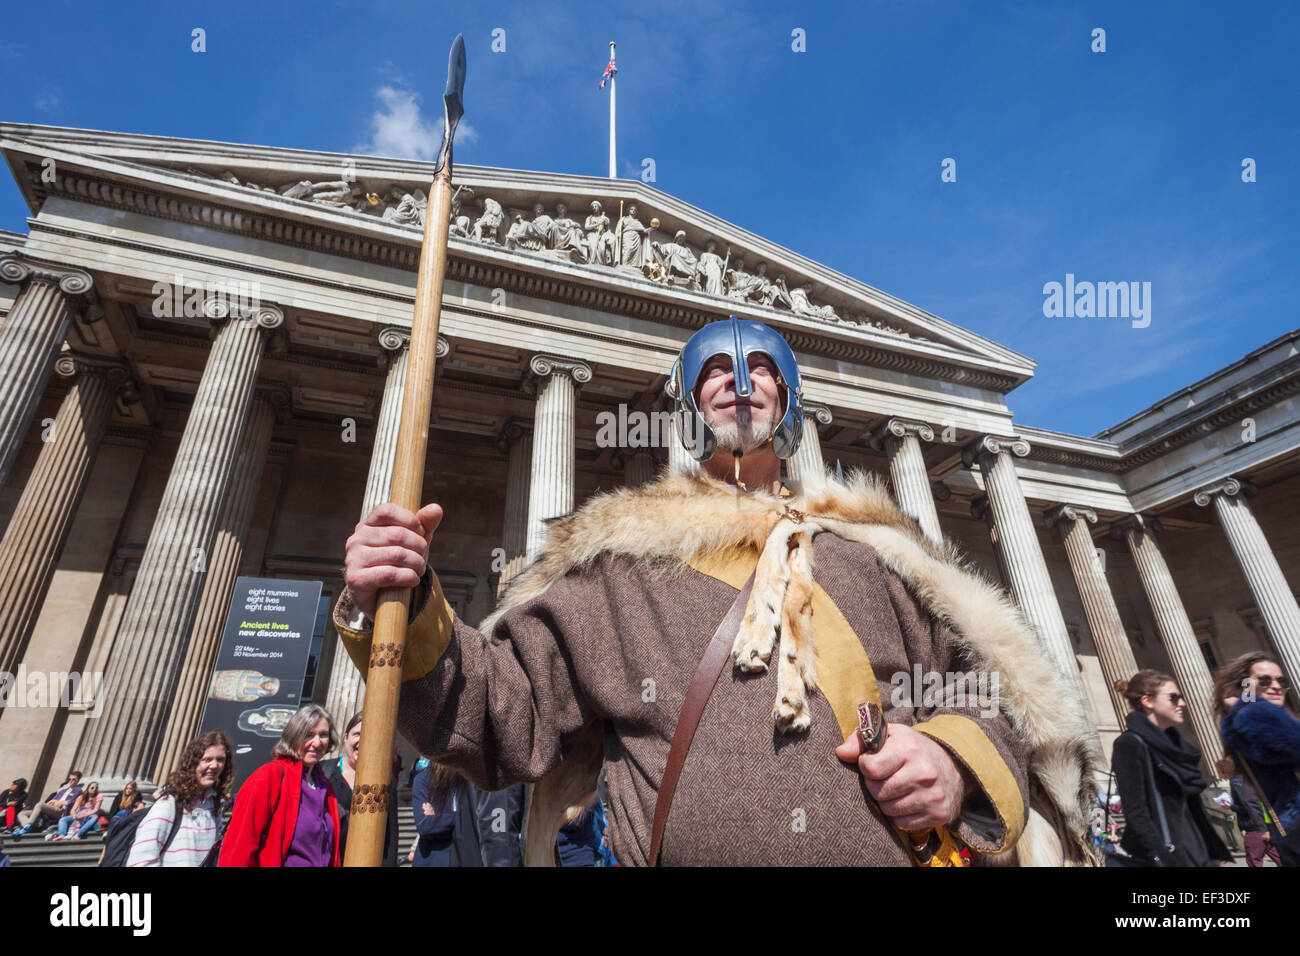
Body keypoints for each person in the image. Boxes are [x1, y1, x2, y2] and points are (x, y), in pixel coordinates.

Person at [334, 316, 1099, 866]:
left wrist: (951, 757)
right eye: (714, 372)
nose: (738, 382)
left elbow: (979, 687)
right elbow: (507, 711)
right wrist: (406, 603)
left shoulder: (875, 552)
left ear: (789, 397)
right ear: (689, 408)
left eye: (761, 368)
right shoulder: (619, 565)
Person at [1110, 670, 1231, 867]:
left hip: (1196, 848)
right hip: (1169, 853)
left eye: (1181, 697)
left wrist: (1213, 851)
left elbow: (1191, 806)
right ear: (1148, 701)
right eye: (1174, 698)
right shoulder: (1129, 744)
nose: (1182, 703)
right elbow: (1136, 811)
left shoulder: (1176, 746)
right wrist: (1162, 857)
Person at [219, 704, 341, 867]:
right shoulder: (270, 776)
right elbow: (240, 844)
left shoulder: (324, 787)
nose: (317, 743)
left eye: (323, 735)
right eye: (309, 735)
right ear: (294, 736)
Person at [1215, 650, 1300, 866]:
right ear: (1247, 686)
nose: (1276, 685)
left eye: (1281, 680)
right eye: (1264, 680)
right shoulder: (1250, 722)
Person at [127, 731, 232, 866]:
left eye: (220, 759)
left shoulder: (213, 805)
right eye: (207, 759)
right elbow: (140, 861)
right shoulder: (169, 804)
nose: (214, 765)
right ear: (192, 763)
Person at [323, 712, 399, 867]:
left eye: (369, 734)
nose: (362, 740)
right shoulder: (323, 772)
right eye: (357, 734)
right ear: (345, 738)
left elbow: (390, 835)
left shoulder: (384, 778)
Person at [411, 763, 481, 867]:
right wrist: (464, 817)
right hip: (434, 860)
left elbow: (479, 818)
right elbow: (425, 826)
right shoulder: (423, 780)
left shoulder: (471, 780)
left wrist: (439, 817)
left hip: (466, 856)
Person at [1229, 774, 1281, 867]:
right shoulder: (1253, 777)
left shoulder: (1237, 783)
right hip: (1265, 823)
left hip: (1254, 825)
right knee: (1279, 856)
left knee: (1253, 859)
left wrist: (1231, 806)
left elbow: (1248, 807)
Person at [12, 770, 82, 837]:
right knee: (22, 813)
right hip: (53, 808)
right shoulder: (62, 791)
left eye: (73, 779)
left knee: (40, 804)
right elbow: (52, 801)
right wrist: (55, 802)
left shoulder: (78, 790)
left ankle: (29, 824)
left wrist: (59, 802)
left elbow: (70, 802)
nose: (71, 781)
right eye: (70, 779)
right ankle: (27, 827)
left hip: (62, 811)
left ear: (78, 780)